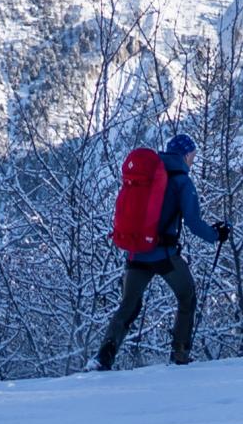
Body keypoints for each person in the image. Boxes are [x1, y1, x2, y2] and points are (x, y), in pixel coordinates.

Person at [95, 132, 226, 369]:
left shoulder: (147, 175)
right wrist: (216, 235)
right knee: (187, 296)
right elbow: (193, 222)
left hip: (136, 252)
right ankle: (180, 354)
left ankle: (103, 357)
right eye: (192, 156)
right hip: (163, 255)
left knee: (129, 305)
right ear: (185, 155)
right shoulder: (182, 181)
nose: (193, 160)